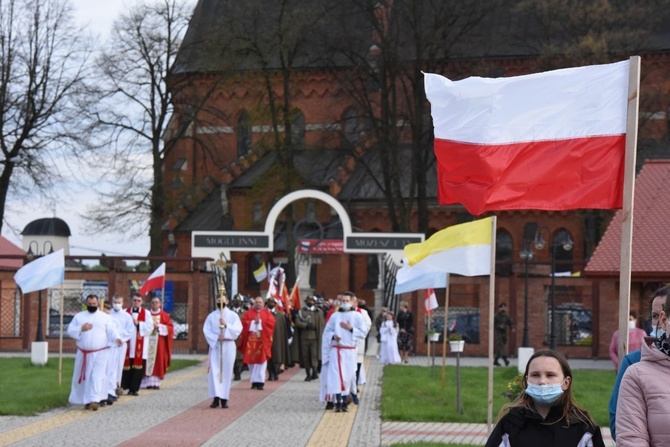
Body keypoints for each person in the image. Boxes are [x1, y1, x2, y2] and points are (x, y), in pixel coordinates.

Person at [485, 349, 605, 447]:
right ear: (527, 381)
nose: (542, 381)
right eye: (535, 375)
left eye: (550, 375)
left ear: (566, 383)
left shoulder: (582, 426)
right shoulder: (511, 424)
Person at [608, 285, 668, 441]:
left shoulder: (640, 333)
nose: (660, 322)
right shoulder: (634, 364)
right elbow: (620, 424)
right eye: (654, 316)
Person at [67, 294, 122, 411]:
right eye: (90, 304)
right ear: (86, 304)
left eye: (94, 304)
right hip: (84, 354)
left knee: (97, 376)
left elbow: (112, 331)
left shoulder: (105, 317)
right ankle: (86, 400)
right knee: (86, 378)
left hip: (100, 353)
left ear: (98, 304)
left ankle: (95, 400)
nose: (92, 306)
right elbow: (70, 331)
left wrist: (117, 338)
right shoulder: (79, 317)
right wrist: (81, 329)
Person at [323, 292, 366, 413]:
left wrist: (351, 329)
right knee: (336, 376)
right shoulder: (335, 316)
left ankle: (345, 400)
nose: (345, 303)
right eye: (343, 301)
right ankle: (337, 402)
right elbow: (327, 331)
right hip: (337, 350)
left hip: (350, 351)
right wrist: (333, 336)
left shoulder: (357, 316)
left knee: (348, 377)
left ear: (352, 302)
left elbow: (363, 332)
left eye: (348, 301)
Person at [203, 293, 242, 408]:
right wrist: (216, 338)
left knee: (226, 372)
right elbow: (206, 330)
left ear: (227, 301)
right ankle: (216, 398)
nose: (220, 302)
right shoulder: (211, 316)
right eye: (218, 300)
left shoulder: (233, 315)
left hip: (228, 345)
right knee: (215, 372)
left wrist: (226, 326)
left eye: (223, 300)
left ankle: (224, 398)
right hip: (216, 346)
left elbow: (238, 329)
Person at [237, 296, 275, 390]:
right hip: (251, 342)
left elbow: (271, 324)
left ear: (263, 304)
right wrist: (253, 323)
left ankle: (260, 382)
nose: (258, 304)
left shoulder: (267, 313)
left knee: (262, 362)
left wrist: (261, 322)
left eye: (260, 302)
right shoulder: (248, 313)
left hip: (262, 342)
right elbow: (243, 323)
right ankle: (254, 381)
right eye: (256, 302)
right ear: (254, 303)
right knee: (252, 363)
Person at [122, 293, 155, 396]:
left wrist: (138, 324)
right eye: (135, 300)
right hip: (127, 343)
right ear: (131, 301)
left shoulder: (147, 313)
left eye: (138, 301)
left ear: (142, 302)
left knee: (138, 368)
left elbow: (150, 327)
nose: (136, 302)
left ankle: (134, 389)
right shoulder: (125, 312)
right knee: (127, 366)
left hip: (140, 344)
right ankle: (124, 386)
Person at [105, 294, 135, 404]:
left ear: (122, 303)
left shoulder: (127, 316)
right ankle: (108, 390)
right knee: (109, 367)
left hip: (121, 344)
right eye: (115, 302)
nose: (116, 304)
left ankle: (115, 389)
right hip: (110, 344)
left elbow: (130, 330)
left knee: (118, 367)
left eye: (119, 302)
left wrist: (121, 338)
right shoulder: (108, 314)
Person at [142, 296, 174, 390]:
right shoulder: (146, 314)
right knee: (147, 360)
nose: (154, 304)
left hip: (159, 343)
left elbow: (170, 328)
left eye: (156, 302)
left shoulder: (164, 315)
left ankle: (155, 383)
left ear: (160, 304)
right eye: (152, 302)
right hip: (147, 341)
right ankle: (146, 382)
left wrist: (159, 326)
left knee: (158, 361)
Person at [293, 295, 325, 381]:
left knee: (314, 355)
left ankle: (314, 371)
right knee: (305, 356)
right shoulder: (302, 311)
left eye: (311, 301)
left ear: (314, 302)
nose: (310, 302)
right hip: (304, 337)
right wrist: (306, 326)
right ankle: (308, 374)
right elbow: (297, 322)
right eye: (308, 301)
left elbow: (322, 324)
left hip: (315, 337)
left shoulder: (318, 312)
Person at [266, 298, 290, 381]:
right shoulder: (264, 313)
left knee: (277, 356)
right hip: (266, 339)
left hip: (277, 338)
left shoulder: (280, 315)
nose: (271, 304)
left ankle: (275, 372)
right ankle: (270, 373)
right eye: (269, 302)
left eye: (272, 303)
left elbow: (283, 328)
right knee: (268, 357)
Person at [230, 294, 247, 381]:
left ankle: (238, 372)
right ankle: (234, 371)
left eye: (238, 301)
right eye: (235, 301)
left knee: (240, 356)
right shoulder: (229, 312)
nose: (237, 303)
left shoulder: (244, 313)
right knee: (232, 356)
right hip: (231, 337)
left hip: (241, 337)